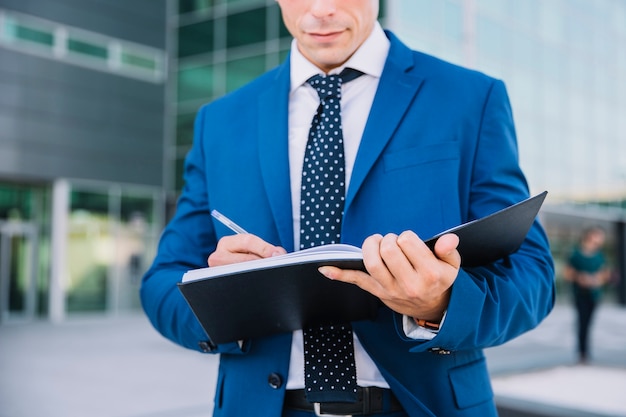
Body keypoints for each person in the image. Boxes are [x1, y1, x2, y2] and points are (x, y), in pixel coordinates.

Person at [140, 1, 555, 416]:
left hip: (422, 406)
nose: (321, 9)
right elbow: (162, 283)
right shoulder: (221, 120)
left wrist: (440, 304)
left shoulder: (470, 99)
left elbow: (532, 275)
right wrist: (224, 302)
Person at [563, 226, 610, 364]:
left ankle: (586, 351)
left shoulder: (600, 255)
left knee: (589, 323)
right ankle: (582, 352)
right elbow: (567, 273)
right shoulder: (576, 254)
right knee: (582, 323)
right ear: (590, 236)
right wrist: (580, 278)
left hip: (594, 295)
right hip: (580, 294)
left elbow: (605, 274)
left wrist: (596, 279)